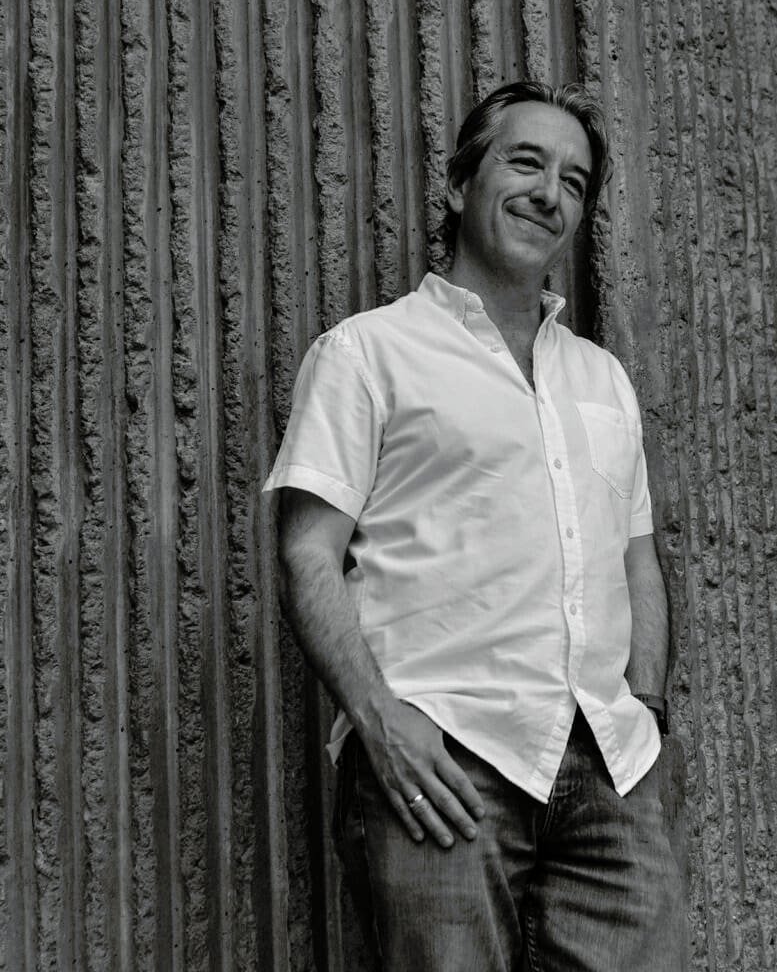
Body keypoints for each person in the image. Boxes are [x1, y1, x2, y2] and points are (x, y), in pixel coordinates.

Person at [264, 81, 687, 971]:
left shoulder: (603, 378)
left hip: (611, 772)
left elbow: (637, 563)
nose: (549, 193)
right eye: (526, 163)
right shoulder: (368, 352)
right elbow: (308, 552)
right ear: (461, 184)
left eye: (574, 181)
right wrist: (378, 719)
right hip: (444, 761)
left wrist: (646, 719)